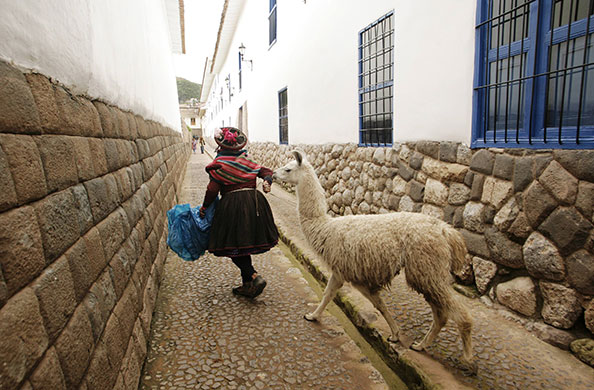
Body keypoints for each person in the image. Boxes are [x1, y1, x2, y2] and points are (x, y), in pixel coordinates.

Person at [199, 127, 279, 298]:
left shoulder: (219, 163)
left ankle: (253, 276)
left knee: (233, 245)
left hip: (233, 206)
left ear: (221, 145)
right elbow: (265, 171)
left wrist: (204, 207)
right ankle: (247, 285)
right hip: (253, 204)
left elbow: (212, 189)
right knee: (244, 244)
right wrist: (267, 181)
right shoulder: (246, 158)